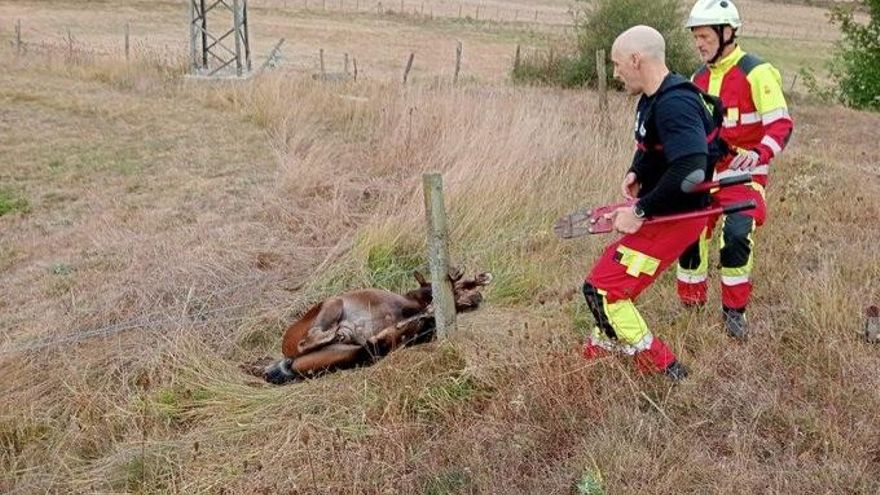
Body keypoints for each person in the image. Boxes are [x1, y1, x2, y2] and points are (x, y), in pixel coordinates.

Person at [580, 25, 723, 381]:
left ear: (635, 59)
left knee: (604, 290)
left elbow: (691, 170)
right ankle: (602, 352)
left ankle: (667, 371)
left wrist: (640, 211)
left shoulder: (675, 103)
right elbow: (650, 146)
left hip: (676, 217)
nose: (614, 73)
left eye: (616, 65)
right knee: (603, 286)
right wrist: (636, 171)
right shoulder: (651, 97)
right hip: (665, 211)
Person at [677, 0, 794, 340]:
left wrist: (759, 154)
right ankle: (690, 306)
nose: (699, 44)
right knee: (688, 234)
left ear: (726, 32)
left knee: (737, 235)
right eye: (695, 37)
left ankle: (734, 313)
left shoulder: (757, 72)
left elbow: (781, 125)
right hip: (704, 175)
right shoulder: (696, 78)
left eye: (704, 36)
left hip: (744, 176)